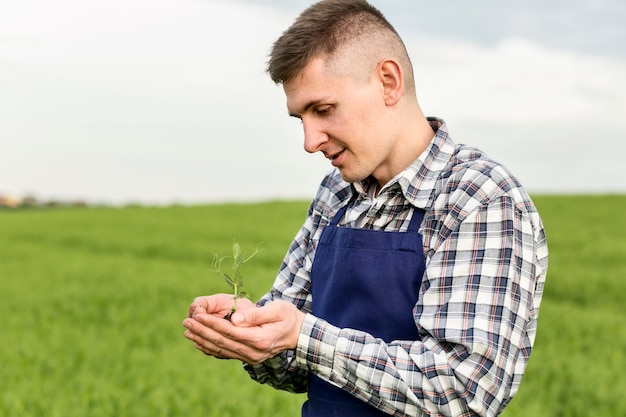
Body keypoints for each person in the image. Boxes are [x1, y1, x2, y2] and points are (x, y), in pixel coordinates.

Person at [182, 0, 549, 416]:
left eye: (323, 110)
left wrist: (303, 336)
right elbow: (295, 364)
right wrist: (248, 332)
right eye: (299, 118)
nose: (309, 140)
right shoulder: (335, 194)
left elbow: (463, 394)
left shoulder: (479, 199)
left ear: (388, 82)